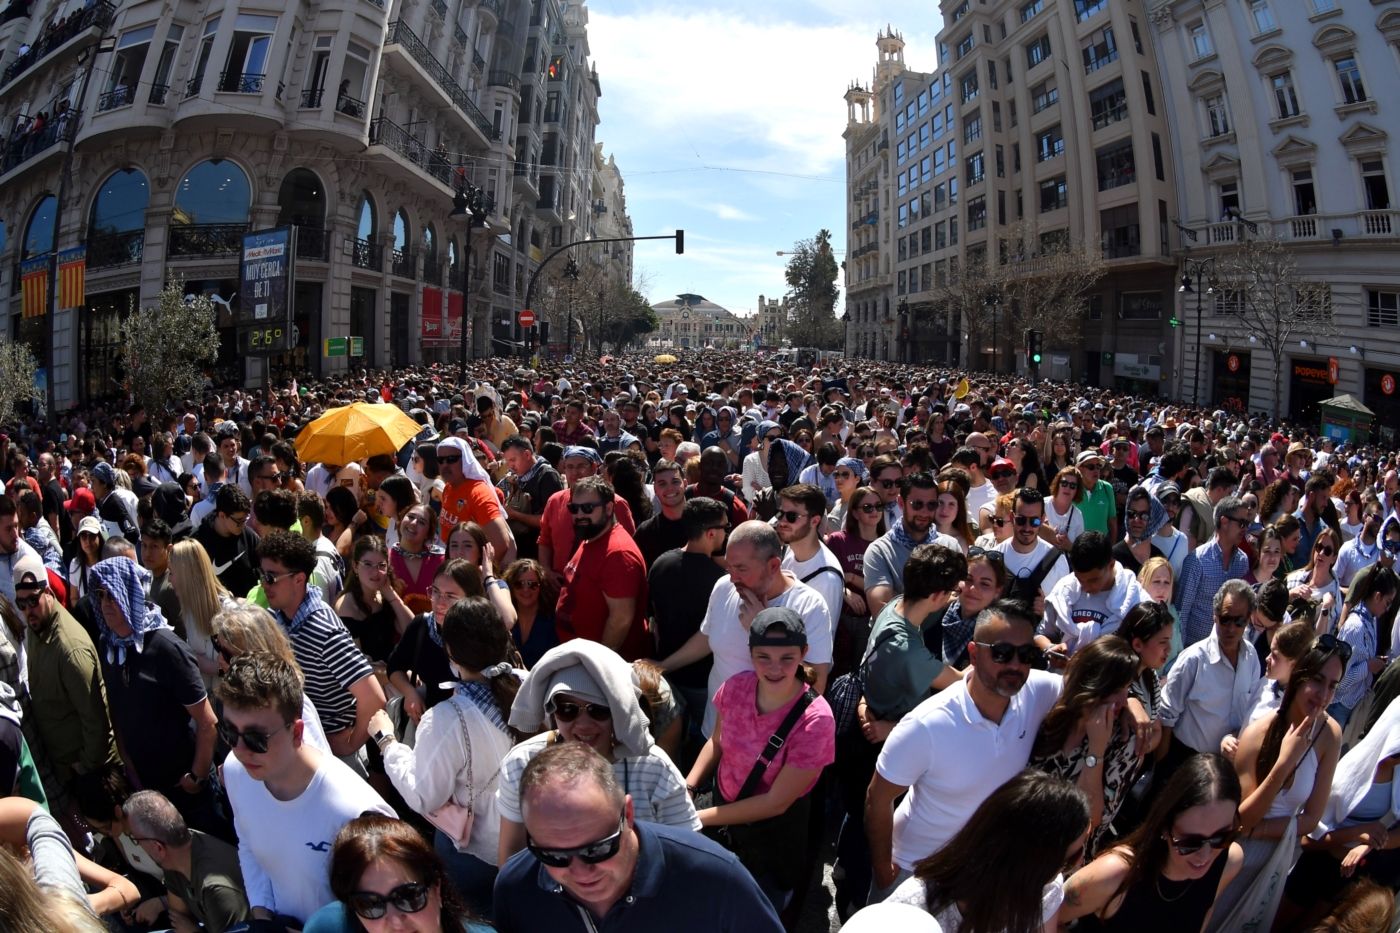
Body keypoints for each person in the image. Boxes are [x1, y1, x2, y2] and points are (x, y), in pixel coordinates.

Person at [865, 599, 1061, 902]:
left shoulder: (1034, 690)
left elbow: (1088, 682)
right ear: (974, 652)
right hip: (915, 871)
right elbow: (877, 798)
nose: (1015, 665)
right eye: (1001, 653)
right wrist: (882, 871)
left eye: (1027, 655)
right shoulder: (926, 725)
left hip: (977, 876)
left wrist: (1132, 703)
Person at [492, 741, 783, 932]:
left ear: (628, 815)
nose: (580, 871)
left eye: (597, 849)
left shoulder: (715, 878)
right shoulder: (516, 888)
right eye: (552, 855)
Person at [219, 652, 395, 928]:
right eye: (229, 733)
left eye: (256, 738)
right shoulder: (234, 771)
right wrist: (263, 913)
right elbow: (248, 843)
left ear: (297, 732)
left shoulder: (355, 810)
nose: (240, 750)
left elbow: (390, 914)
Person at [372, 597, 519, 916]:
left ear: (450, 651)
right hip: (521, 844)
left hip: (471, 853)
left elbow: (423, 796)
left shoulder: (446, 719)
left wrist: (387, 742)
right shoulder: (526, 691)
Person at [495, 640, 699, 864]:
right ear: (552, 712)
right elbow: (512, 855)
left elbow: (688, 853)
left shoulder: (655, 768)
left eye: (598, 710)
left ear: (619, 711)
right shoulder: (521, 763)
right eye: (567, 710)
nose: (583, 725)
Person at [685, 607, 836, 909]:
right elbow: (717, 743)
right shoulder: (736, 687)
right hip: (720, 811)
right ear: (751, 653)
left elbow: (775, 803)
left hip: (770, 839)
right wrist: (688, 788)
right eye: (763, 657)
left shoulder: (816, 721)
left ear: (804, 653)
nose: (774, 668)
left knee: (755, 911)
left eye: (786, 658)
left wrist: (694, 818)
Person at [1208, 641, 1344, 931]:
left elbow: (1311, 818)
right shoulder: (1258, 733)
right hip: (1237, 857)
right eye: (1317, 680)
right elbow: (1242, 820)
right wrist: (1283, 764)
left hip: (1275, 859)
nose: (1323, 695)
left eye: (1332, 686)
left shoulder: (1330, 734)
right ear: (1299, 676)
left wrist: (1264, 831)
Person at [88, 556, 223, 838]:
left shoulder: (166, 649)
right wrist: (129, 763)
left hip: (188, 789)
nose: (105, 604)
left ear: (131, 596)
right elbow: (117, 708)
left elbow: (207, 722)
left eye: (113, 596)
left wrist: (196, 777)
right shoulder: (109, 645)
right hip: (149, 786)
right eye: (100, 596)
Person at [657, 520, 833, 736]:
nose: (732, 577)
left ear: (774, 566)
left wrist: (760, 629)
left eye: (741, 568)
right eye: (729, 567)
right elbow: (707, 637)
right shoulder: (724, 587)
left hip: (763, 746)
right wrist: (663, 666)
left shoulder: (810, 607)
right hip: (714, 734)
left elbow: (817, 686)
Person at [856, 770, 1089, 932]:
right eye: (1072, 858)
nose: (1080, 864)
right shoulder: (914, 913)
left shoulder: (1046, 889)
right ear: (1031, 863)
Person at [1060, 752, 1245, 932]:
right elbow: (1041, 920)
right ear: (1164, 826)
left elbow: (1202, 916)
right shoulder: (1114, 875)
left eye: (1221, 837)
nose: (1205, 855)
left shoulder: (1229, 862)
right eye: (1191, 841)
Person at [258, 529, 386, 766]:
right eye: (262, 575)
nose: (264, 584)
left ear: (299, 579)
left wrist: (349, 745)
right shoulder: (281, 617)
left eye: (271, 577)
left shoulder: (325, 631)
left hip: (335, 757)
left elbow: (374, 698)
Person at [1284, 697, 1400, 930]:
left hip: (1347, 881)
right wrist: (1359, 833)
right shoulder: (1346, 778)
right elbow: (1308, 841)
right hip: (1314, 870)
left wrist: (1368, 844)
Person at [11, 546, 119, 793]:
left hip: (91, 775)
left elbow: (96, 721)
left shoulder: (70, 650)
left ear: (48, 592)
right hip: (66, 770)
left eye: (33, 601)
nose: (28, 610)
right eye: (21, 603)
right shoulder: (38, 627)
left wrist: (85, 767)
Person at [1029, 636, 1141, 853]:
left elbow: (1091, 819)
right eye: (1115, 689)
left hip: (1065, 857)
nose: (1123, 700)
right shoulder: (1049, 713)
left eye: (1127, 688)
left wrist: (1096, 751)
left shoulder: (1125, 742)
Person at [304, 813, 493, 933]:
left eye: (409, 896)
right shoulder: (325, 927)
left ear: (437, 888)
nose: (395, 923)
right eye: (370, 904)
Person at [1158, 580, 1261, 785]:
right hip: (1185, 762)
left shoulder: (1251, 657)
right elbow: (1166, 717)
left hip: (1224, 767)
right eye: (1225, 619)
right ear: (1214, 616)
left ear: (1249, 620)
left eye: (1238, 621)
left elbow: (1250, 710)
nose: (1231, 628)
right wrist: (1160, 773)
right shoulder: (1194, 659)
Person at [646, 497, 727, 743]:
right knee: (703, 742)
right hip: (702, 683)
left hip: (665, 678)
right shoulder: (720, 581)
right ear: (711, 533)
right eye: (726, 527)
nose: (728, 532)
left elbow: (654, 621)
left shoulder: (660, 564)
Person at [0, 795, 139, 930]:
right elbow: (29, 813)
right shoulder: (48, 861)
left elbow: (128, 889)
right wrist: (73, 907)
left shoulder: (45, 853)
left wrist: (80, 906)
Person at [122, 789, 249, 932]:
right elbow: (178, 917)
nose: (138, 845)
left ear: (157, 847)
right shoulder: (174, 857)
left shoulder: (216, 889)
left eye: (136, 840)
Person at [862, 472, 962, 618]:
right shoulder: (880, 551)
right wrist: (941, 599)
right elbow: (882, 611)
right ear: (901, 503)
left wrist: (902, 599)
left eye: (932, 505)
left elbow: (960, 601)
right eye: (917, 504)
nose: (924, 512)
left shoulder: (950, 546)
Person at [536, 446, 635, 585]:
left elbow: (627, 547)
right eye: (570, 467)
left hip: (599, 587)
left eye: (581, 466)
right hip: (559, 587)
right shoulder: (555, 501)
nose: (575, 472)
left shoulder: (614, 503)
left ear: (594, 467)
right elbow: (545, 540)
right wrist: (545, 570)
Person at [1174, 496, 1252, 647]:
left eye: (1247, 523)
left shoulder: (1242, 561)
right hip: (1195, 650)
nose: (1245, 528)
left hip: (1227, 650)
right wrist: (1182, 653)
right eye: (1242, 523)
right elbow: (1181, 613)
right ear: (1224, 521)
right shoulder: (1197, 561)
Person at [1331, 567, 1398, 726]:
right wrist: (1368, 666)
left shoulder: (1371, 620)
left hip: (1351, 705)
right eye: (1387, 603)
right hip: (1338, 706)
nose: (1387, 609)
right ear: (1377, 596)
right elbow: (1341, 680)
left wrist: (1373, 662)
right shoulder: (1355, 627)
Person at [436, 436, 516, 570]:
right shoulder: (448, 488)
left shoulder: (478, 493)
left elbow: (501, 543)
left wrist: (476, 572)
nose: (445, 465)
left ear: (465, 460)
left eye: (451, 459)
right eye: (440, 460)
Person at [334, 536, 414, 665]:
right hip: (372, 678)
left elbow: (412, 631)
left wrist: (391, 595)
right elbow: (355, 666)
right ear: (355, 566)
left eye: (381, 565)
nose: (375, 572)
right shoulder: (346, 606)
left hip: (394, 670)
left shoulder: (383, 595)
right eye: (367, 564)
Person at [776, 482, 845, 626]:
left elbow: (819, 641)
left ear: (814, 521)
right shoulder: (789, 551)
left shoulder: (827, 580)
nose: (782, 522)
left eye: (792, 516)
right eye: (780, 513)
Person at [997, 486, 1070, 607]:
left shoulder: (1057, 561)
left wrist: (1046, 611)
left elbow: (1065, 610)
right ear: (1011, 518)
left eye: (1034, 521)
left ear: (1042, 520)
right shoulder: (995, 558)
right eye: (1021, 520)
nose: (1027, 528)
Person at [193, 484, 261, 598]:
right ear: (222, 515)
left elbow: (262, 570)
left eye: (246, 519)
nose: (243, 525)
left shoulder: (249, 537)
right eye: (239, 520)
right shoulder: (199, 543)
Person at [389, 502, 444, 617]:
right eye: (410, 517)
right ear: (401, 520)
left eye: (422, 522)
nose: (413, 523)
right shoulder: (385, 559)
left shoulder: (441, 561)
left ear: (428, 534)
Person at [1285, 527, 1344, 634]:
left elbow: (1320, 638)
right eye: (1319, 547)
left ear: (1334, 558)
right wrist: (1291, 594)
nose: (1321, 553)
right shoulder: (1295, 579)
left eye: (1327, 551)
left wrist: (1325, 609)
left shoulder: (1333, 596)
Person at [631, 458, 688, 567]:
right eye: (662, 484)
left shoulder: (704, 524)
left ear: (685, 484)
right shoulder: (645, 532)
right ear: (655, 489)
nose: (669, 488)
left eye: (675, 482)